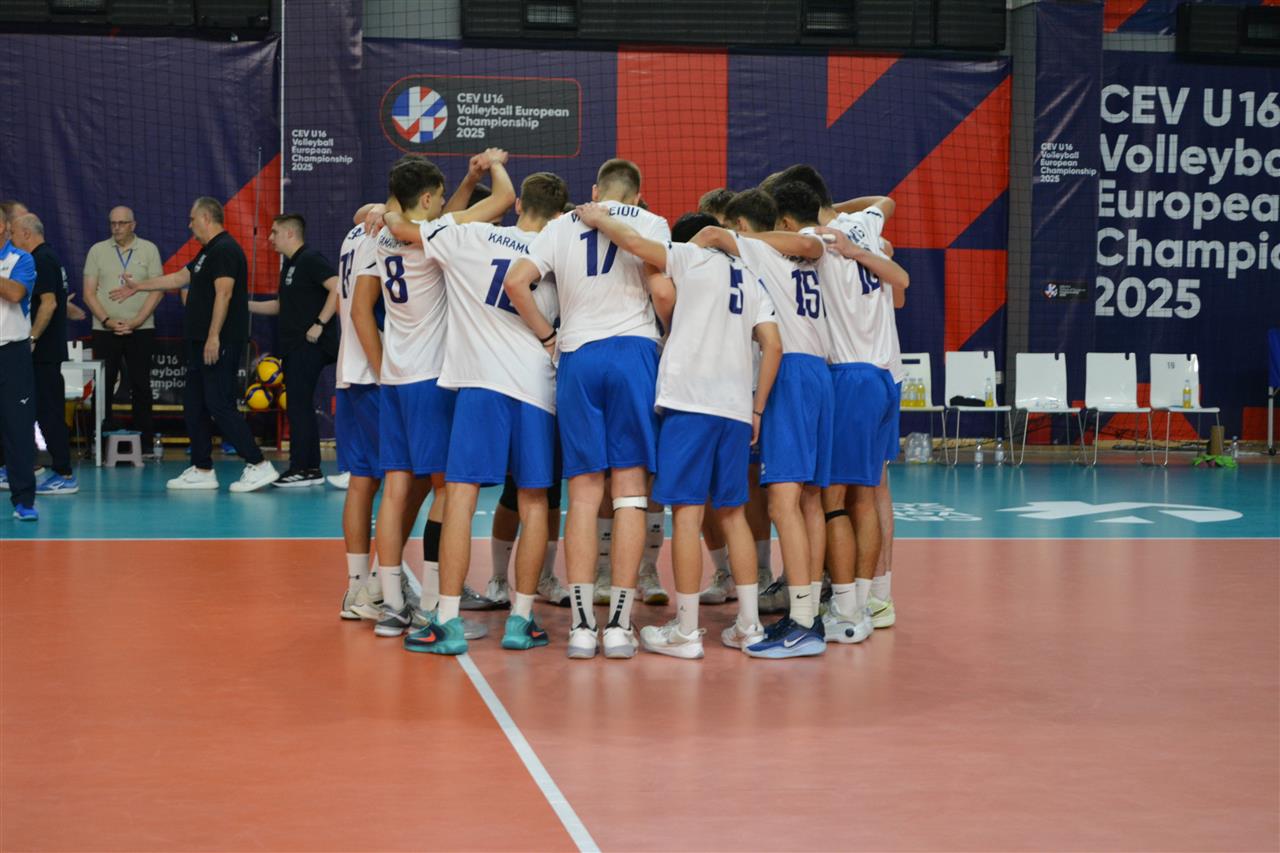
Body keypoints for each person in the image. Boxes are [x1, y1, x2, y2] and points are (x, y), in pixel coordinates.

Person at [572, 206, 782, 660]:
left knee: (687, 514)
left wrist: (598, 217)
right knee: (733, 514)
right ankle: (749, 627)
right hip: (735, 408)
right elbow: (773, 345)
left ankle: (686, 631)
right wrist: (758, 408)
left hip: (690, 403)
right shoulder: (751, 277)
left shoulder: (689, 256)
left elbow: (635, 245)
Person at [386, 171, 566, 655]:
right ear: (557, 213)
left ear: (517, 204)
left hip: (479, 385)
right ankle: (521, 619)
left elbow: (403, 228)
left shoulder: (468, 235)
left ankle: (445, 620)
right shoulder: (557, 246)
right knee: (534, 502)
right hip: (536, 386)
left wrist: (377, 213)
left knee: (461, 498)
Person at [502, 159, 671, 660]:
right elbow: (662, 286)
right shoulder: (651, 221)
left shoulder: (559, 226)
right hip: (634, 353)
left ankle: (580, 627)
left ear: (596, 191)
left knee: (582, 495)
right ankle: (617, 627)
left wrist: (548, 336)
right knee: (631, 493)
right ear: (636, 195)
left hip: (578, 355)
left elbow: (516, 283)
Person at [362, 152, 515, 638]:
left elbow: (418, 212)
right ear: (427, 198)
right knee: (448, 490)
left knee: (395, 489)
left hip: (394, 377)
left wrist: (466, 181)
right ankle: (433, 603)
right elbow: (502, 200)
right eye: (440, 196)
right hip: (432, 379)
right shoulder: (435, 236)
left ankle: (391, 605)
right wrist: (493, 166)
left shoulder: (382, 234)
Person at [690, 189, 835, 657]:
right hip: (820, 373)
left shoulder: (757, 250)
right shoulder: (806, 255)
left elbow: (711, 235)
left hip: (790, 373)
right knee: (809, 500)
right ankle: (808, 612)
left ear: (742, 227)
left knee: (782, 503)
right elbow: (813, 242)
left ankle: (803, 623)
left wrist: (687, 258)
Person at [769, 179, 908, 643]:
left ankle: (847, 608)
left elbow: (800, 244)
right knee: (868, 494)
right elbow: (886, 201)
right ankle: (869, 599)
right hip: (886, 375)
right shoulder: (864, 223)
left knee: (832, 501)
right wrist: (842, 214)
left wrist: (738, 237)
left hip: (849, 376)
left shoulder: (819, 239)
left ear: (788, 219)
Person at [112, 197, 279, 492]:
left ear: (206, 218)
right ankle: (202, 468)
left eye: (192, 219)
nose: (189, 225)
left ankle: (259, 464)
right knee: (194, 405)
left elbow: (224, 294)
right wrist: (138, 286)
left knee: (219, 404)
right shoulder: (207, 252)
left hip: (219, 341)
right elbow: (178, 278)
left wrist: (214, 336)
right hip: (198, 343)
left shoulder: (225, 249)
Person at [249, 214, 340, 487]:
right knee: (299, 406)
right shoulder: (289, 264)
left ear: (290, 233)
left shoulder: (310, 258)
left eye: (274, 232)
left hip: (309, 346)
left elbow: (337, 287)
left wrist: (320, 324)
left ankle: (302, 468)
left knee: (298, 406)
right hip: (294, 347)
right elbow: (281, 306)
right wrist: (244, 305)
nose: (270, 238)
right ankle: (309, 467)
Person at [334, 218, 385, 620]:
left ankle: (355, 588)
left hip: (348, 371)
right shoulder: (386, 235)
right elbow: (361, 312)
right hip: (374, 373)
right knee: (404, 482)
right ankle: (380, 587)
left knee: (361, 481)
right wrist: (385, 374)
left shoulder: (355, 232)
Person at [82, 206, 164, 447]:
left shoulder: (149, 249)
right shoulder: (97, 250)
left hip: (141, 328)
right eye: (113, 223)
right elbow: (88, 293)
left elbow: (158, 290)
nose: (116, 228)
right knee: (104, 385)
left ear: (133, 225)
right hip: (105, 329)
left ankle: (145, 443)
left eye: (122, 223)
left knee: (141, 384)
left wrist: (137, 321)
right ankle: (98, 442)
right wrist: (107, 321)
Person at [10, 215, 77, 495]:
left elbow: (49, 304)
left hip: (44, 351)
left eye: (13, 233)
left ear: (27, 234)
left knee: (49, 413)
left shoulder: (41, 259)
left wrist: (32, 338)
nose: (11, 239)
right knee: (31, 411)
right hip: (43, 352)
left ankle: (64, 473)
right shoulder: (47, 258)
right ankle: (26, 465)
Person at [0, 203, 38, 520]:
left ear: (2, 227)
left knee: (18, 428)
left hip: (12, 354)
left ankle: (24, 501)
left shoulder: (21, 259)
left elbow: (15, 293)